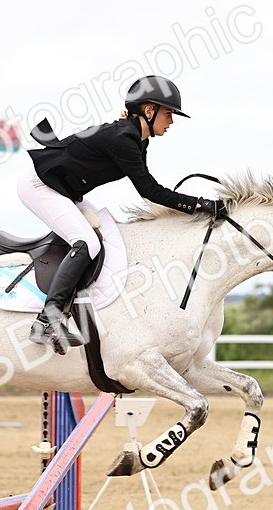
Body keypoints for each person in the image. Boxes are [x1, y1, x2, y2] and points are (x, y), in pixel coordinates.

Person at [18, 75, 227, 353]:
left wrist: (198, 205)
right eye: (168, 113)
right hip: (39, 185)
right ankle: (47, 320)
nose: (172, 121)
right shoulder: (123, 139)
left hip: (63, 190)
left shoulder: (138, 140)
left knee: (108, 233)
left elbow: (151, 189)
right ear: (149, 111)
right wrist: (200, 205)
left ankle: (81, 309)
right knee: (88, 243)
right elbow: (150, 191)